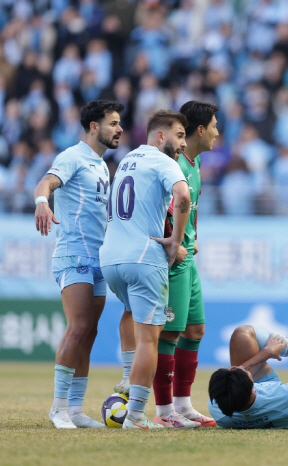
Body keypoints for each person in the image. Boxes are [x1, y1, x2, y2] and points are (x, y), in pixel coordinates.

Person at [34, 100, 124, 429]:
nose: (119, 129)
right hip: (74, 253)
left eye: (119, 123)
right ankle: (57, 408)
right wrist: (43, 202)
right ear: (93, 126)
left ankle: (75, 410)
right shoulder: (72, 157)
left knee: (90, 332)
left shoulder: (101, 165)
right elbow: (45, 182)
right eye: (113, 123)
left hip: (98, 257)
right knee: (79, 327)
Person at [100, 110, 191, 430]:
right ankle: (136, 415)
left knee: (129, 311)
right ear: (161, 136)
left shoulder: (127, 159)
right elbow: (183, 195)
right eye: (180, 135)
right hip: (144, 258)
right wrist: (174, 240)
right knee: (149, 340)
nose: (183, 143)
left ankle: (127, 376)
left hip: (110, 258)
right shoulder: (165, 161)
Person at [151, 101, 219, 428]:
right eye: (215, 127)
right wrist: (174, 243)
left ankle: (183, 405)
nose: (219, 133)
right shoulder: (171, 163)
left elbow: (191, 207)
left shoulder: (196, 162)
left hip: (189, 258)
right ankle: (164, 412)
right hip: (174, 261)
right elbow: (161, 207)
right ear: (201, 130)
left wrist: (194, 236)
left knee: (195, 330)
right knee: (171, 333)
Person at [208, 325, 288, 429]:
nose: (240, 367)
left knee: (242, 335)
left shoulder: (218, 406)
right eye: (243, 372)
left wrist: (266, 353)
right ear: (253, 388)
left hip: (272, 401)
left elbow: (239, 372)